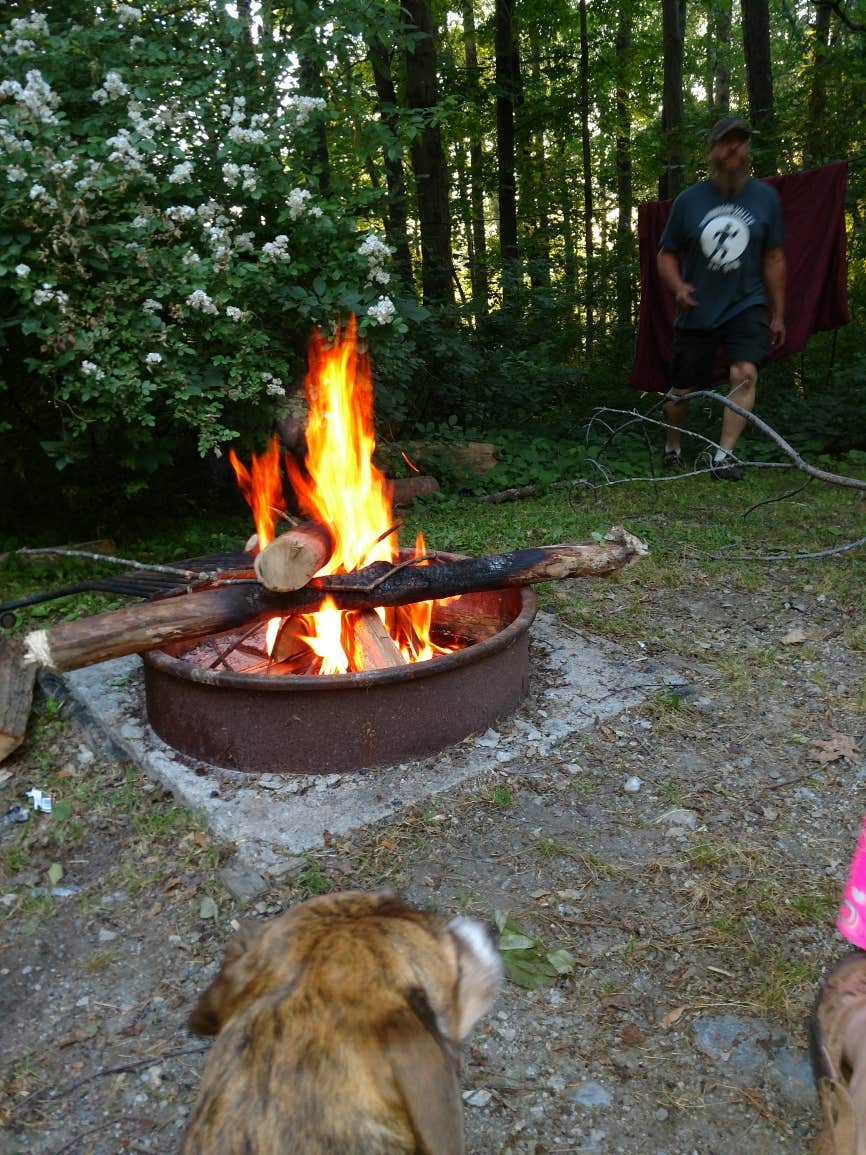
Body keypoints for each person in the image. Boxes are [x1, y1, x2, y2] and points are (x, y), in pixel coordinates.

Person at [656, 115, 786, 480]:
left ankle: (723, 457)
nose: (733, 147)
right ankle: (672, 447)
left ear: (747, 150)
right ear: (712, 150)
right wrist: (678, 287)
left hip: (747, 302)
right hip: (698, 308)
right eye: (725, 141)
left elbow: (774, 258)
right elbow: (665, 254)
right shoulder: (690, 201)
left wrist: (779, 314)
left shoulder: (765, 199)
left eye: (739, 141)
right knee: (682, 390)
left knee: (745, 373)